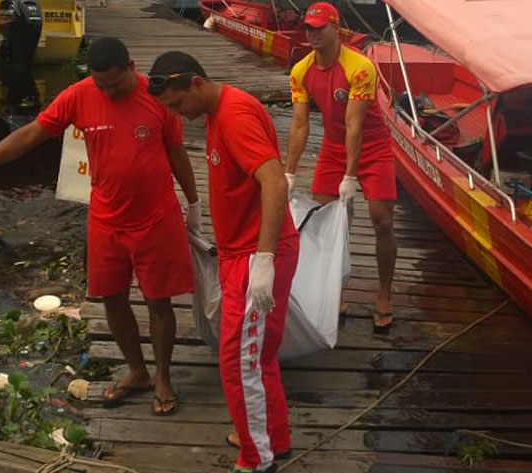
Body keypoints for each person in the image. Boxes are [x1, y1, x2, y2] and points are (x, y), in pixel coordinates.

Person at [0, 37, 200, 416]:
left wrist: (194, 202)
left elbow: (176, 151)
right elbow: (31, 134)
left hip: (156, 216)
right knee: (112, 298)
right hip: (106, 217)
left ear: (132, 67)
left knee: (158, 301)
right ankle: (137, 372)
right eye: (101, 85)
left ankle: (163, 377)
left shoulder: (157, 95)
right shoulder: (79, 96)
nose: (108, 92)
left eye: (115, 84)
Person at [148, 51, 299, 473]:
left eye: (178, 105)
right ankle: (272, 437)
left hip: (256, 253)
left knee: (238, 361)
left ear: (196, 82)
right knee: (259, 356)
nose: (179, 115)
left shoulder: (234, 115)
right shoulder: (217, 111)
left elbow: (273, 182)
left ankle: (257, 459)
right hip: (240, 251)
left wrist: (264, 259)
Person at [286, 2, 398, 333]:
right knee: (327, 222)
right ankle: (334, 291)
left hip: (374, 146)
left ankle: (384, 294)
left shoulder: (359, 67)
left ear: (337, 29)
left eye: (320, 27)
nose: (313, 34)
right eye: (309, 27)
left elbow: (355, 126)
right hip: (333, 147)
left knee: (382, 220)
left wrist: (351, 177)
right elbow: (299, 124)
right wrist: (289, 172)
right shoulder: (300, 70)